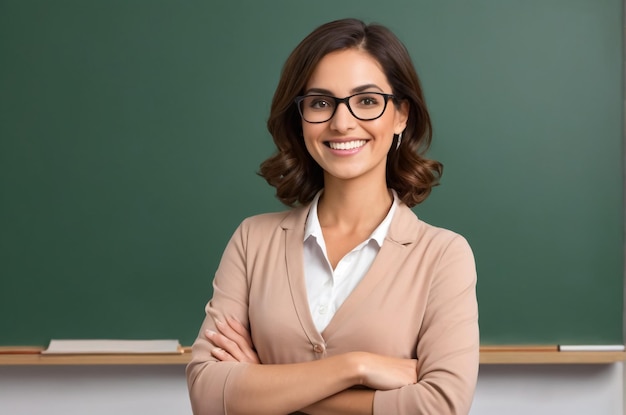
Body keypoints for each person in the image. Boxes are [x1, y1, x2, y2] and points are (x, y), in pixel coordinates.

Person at [186, 18, 479, 415]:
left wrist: (263, 384)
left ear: (400, 115)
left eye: (367, 101)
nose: (342, 123)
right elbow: (207, 393)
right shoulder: (252, 241)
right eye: (321, 102)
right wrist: (355, 368)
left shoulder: (443, 255)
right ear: (300, 117)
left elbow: (439, 406)